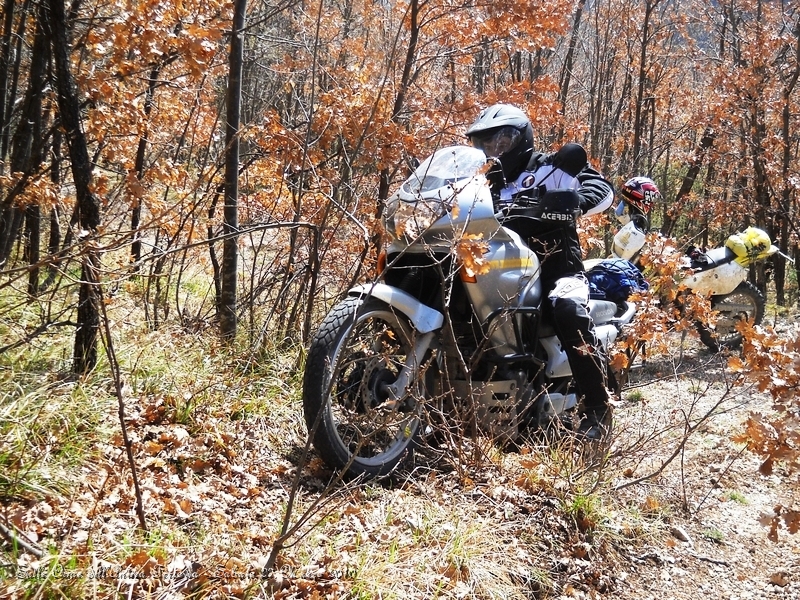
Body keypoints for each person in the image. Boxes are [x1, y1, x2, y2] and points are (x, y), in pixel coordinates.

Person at [466, 103, 615, 440]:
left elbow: (601, 189)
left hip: (556, 269)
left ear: (521, 138)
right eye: (487, 144)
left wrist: (575, 202)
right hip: (502, 272)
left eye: (501, 141)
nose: (494, 149)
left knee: (567, 308)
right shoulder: (483, 182)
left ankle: (597, 408)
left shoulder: (550, 165)